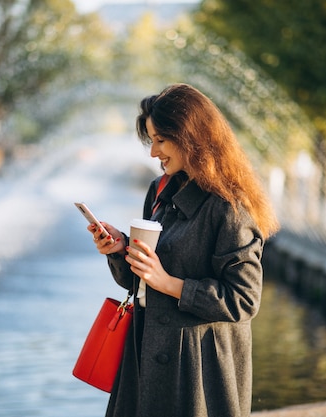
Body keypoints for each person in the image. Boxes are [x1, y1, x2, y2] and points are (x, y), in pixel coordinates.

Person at [88, 83, 279, 417]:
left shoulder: (229, 208)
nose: (153, 152)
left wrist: (169, 283)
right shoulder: (160, 190)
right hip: (144, 359)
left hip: (196, 375)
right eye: (152, 140)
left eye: (161, 140)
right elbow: (142, 284)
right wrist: (119, 251)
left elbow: (244, 300)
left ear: (192, 136)